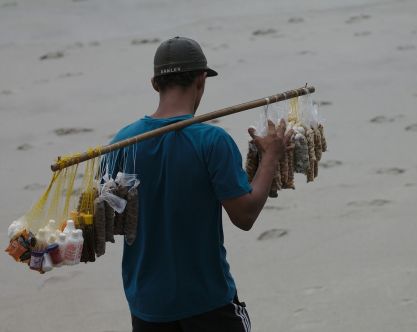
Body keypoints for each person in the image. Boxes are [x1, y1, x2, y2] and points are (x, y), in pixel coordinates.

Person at [109, 36, 292, 332]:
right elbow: (244, 216)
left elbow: (112, 219)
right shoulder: (212, 141)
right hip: (208, 303)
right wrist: (270, 157)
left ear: (155, 84)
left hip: (147, 306)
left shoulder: (121, 144)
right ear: (201, 80)